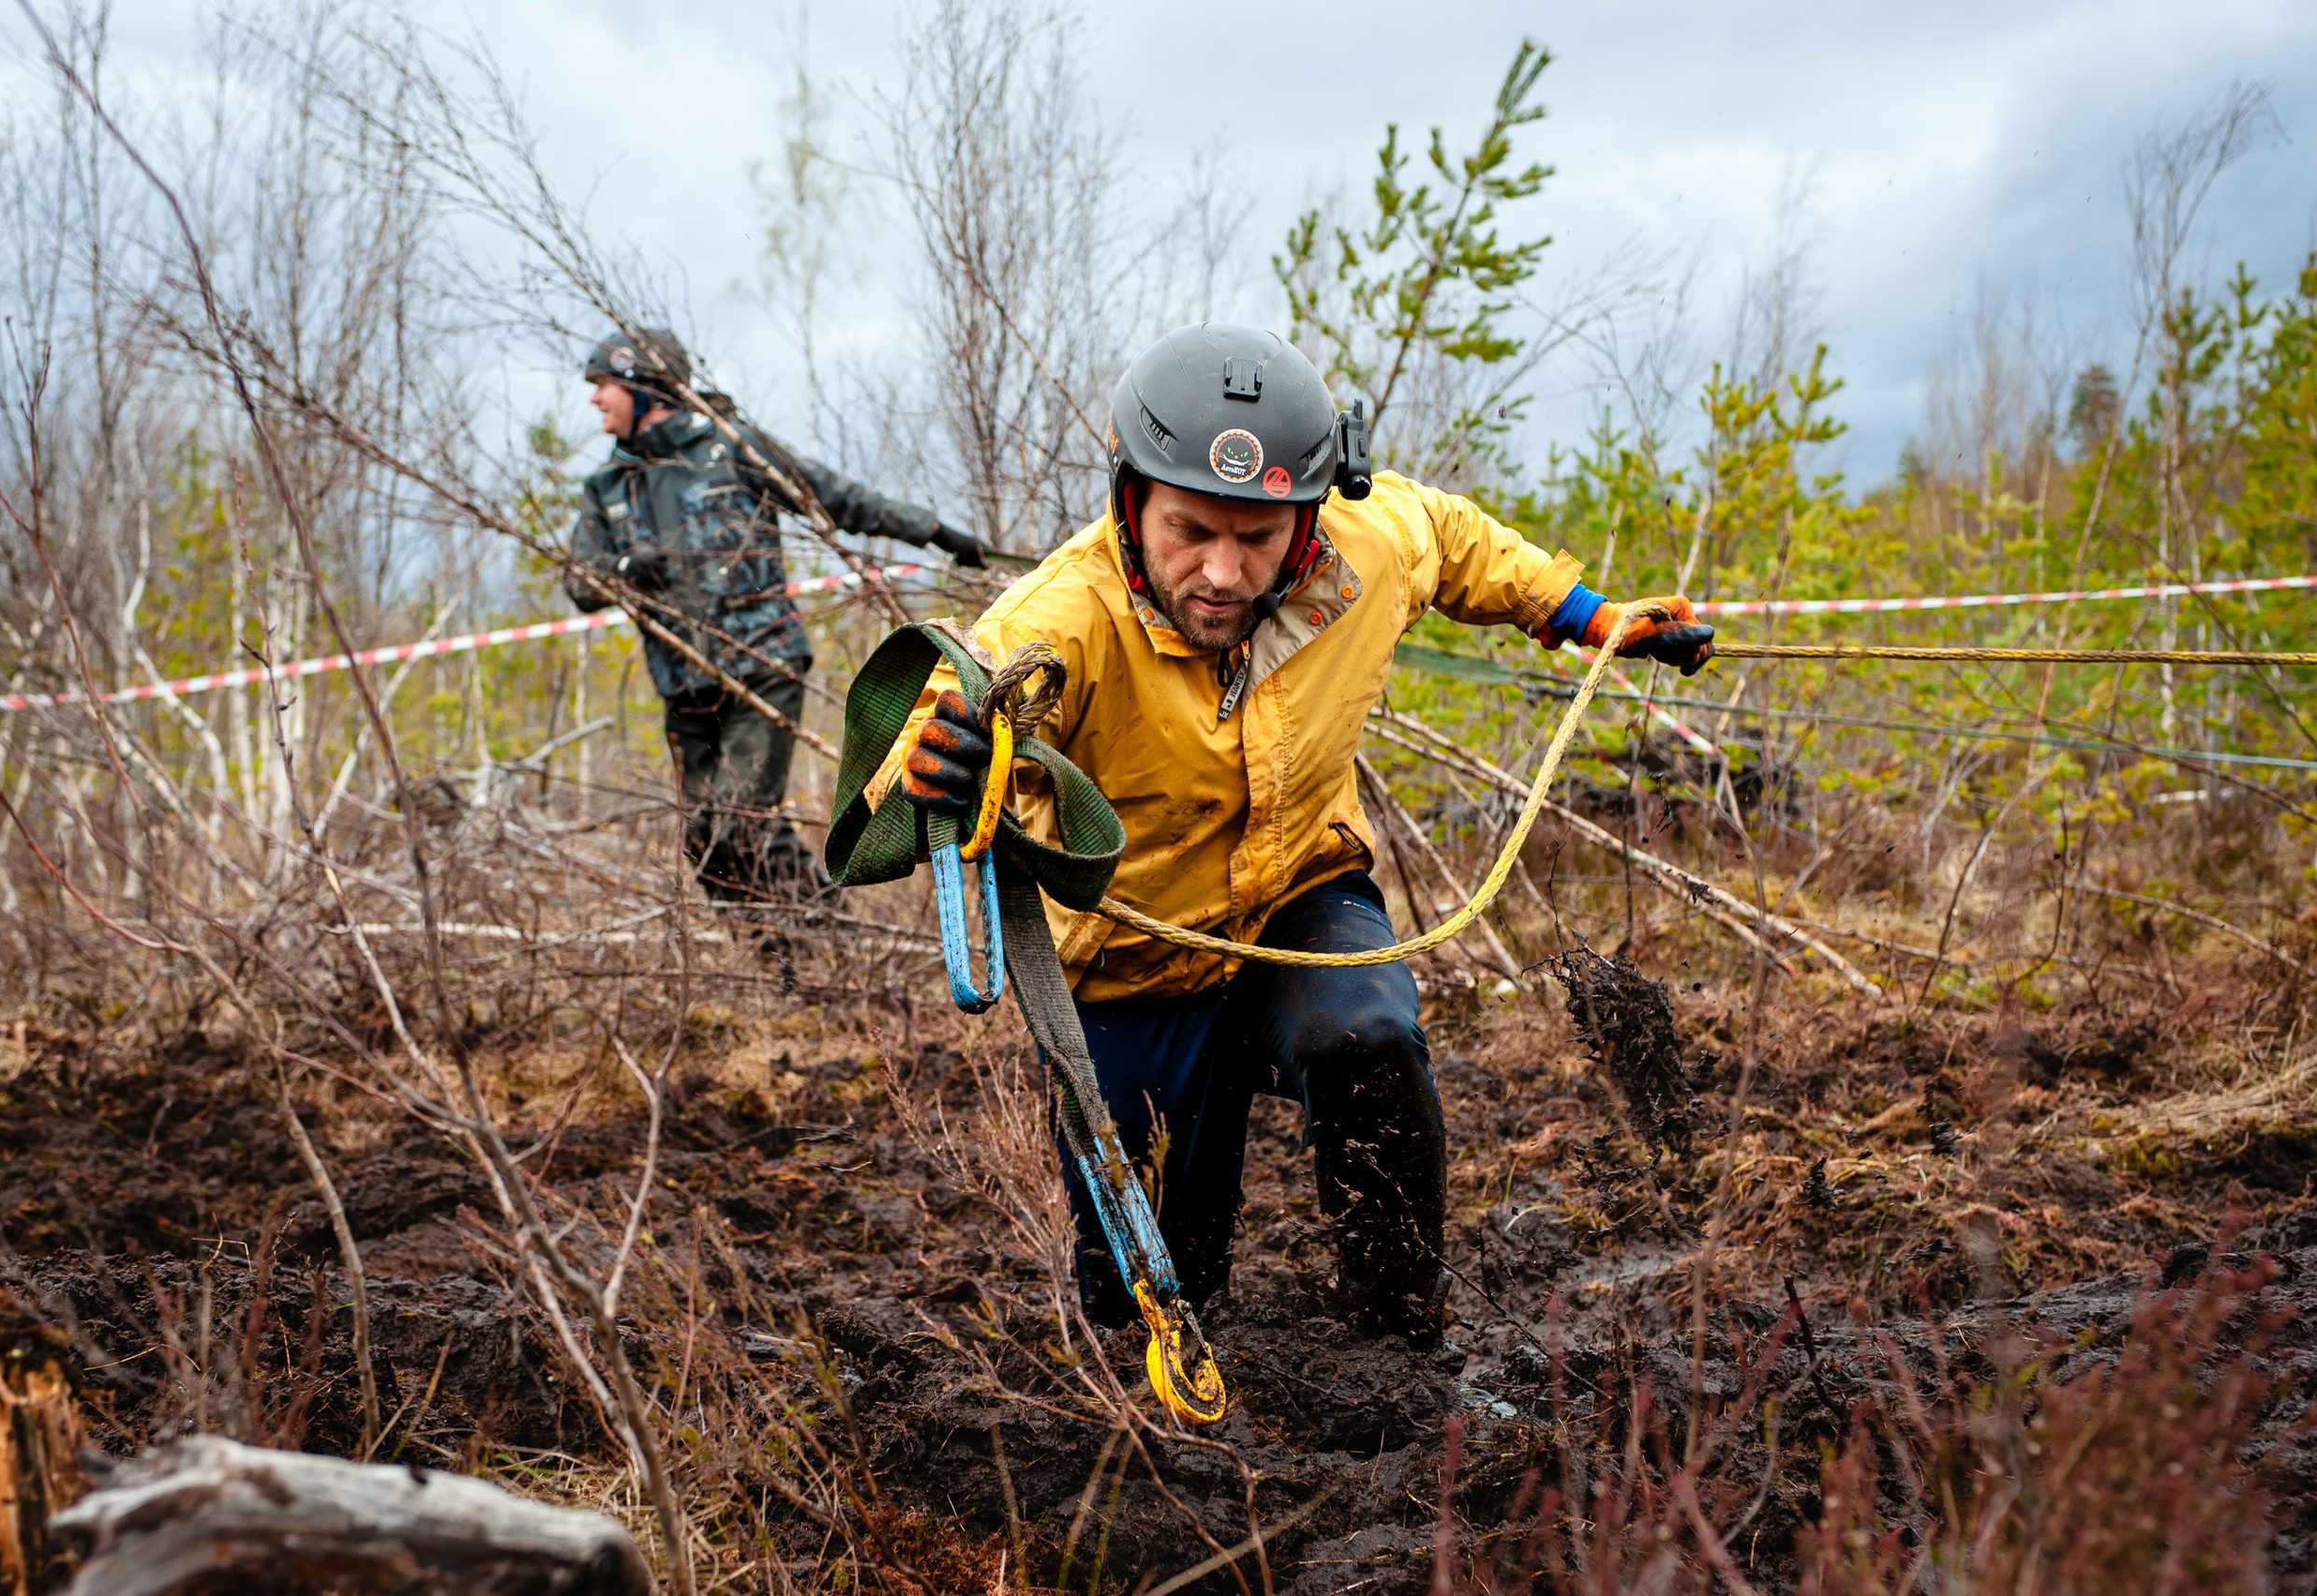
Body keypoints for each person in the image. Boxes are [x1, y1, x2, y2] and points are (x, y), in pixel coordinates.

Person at [890, 323, 1712, 1342]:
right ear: (1131, 499)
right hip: (1133, 956)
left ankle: (1398, 1329)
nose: (1223, 571)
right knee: (1148, 1299)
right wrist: (939, 767)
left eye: (1257, 537)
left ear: (1310, 516)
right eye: (1190, 530)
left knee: (1368, 1034)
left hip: (1300, 895)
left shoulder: (1366, 546)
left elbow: (1450, 534)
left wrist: (1582, 612)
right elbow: (933, 717)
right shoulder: (1057, 621)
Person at [566, 326, 986, 902]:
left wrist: (936, 532)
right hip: (682, 683)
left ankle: (824, 936)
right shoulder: (607, 486)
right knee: (703, 839)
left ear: (645, 387)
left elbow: (838, 497)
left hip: (762, 660)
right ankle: (775, 949)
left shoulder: (731, 446)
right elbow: (579, 581)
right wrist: (623, 569)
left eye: (604, 384)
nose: (595, 398)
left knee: (741, 821)